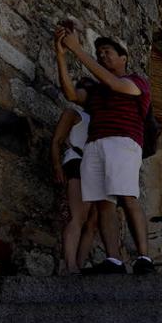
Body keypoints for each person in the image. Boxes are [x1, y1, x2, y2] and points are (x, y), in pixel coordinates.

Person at [54, 23, 154, 274]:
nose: (103, 56)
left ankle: (144, 257)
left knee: (127, 197)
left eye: (108, 52)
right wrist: (61, 55)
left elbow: (114, 84)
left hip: (122, 142)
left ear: (124, 58)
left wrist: (77, 49)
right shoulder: (97, 91)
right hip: (95, 145)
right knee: (103, 204)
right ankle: (114, 260)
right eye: (100, 53)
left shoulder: (136, 81)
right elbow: (70, 93)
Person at [49, 72, 100, 274]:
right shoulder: (73, 113)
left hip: (93, 166)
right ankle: (70, 265)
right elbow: (56, 141)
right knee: (77, 217)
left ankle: (78, 264)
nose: (81, 90)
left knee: (93, 220)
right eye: (82, 86)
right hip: (77, 162)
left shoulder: (96, 117)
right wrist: (57, 167)